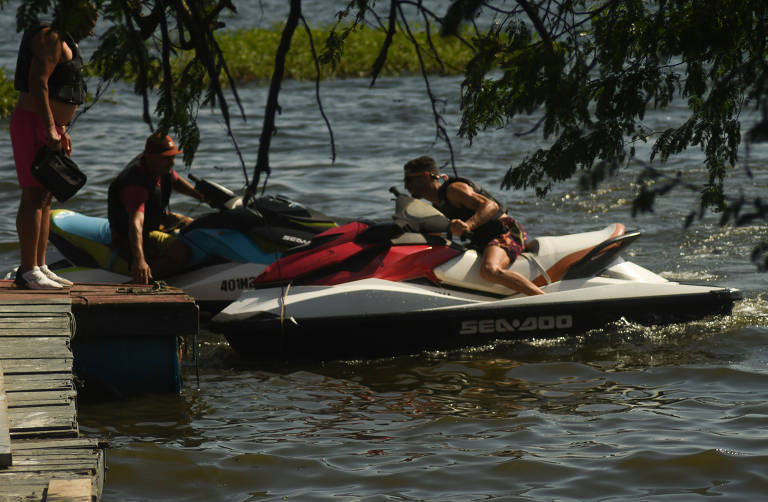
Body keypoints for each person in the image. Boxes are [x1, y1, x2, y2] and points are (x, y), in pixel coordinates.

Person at [10, 1, 98, 289]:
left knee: (46, 197)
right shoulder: (50, 37)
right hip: (33, 123)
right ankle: (27, 270)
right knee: (33, 196)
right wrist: (49, 127)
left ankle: (41, 265)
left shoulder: (65, 40)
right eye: (90, 21)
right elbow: (38, 82)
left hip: (49, 126)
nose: (92, 29)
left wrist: (60, 128)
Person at [403, 156, 544, 296]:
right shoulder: (437, 207)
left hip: (504, 231)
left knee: (489, 270)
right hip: (482, 240)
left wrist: (468, 225)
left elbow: (491, 205)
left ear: (426, 176)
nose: (405, 185)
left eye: (409, 179)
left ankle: (541, 299)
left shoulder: (453, 190)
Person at [107, 132, 205, 285]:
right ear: (150, 156)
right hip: (130, 236)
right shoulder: (135, 184)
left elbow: (176, 181)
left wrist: (201, 196)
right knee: (180, 251)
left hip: (154, 222)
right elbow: (136, 224)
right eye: (166, 158)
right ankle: (140, 281)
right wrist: (139, 260)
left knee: (195, 225)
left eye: (173, 157)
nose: (171, 162)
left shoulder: (160, 168)